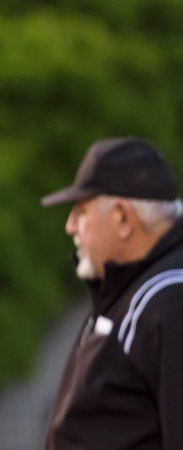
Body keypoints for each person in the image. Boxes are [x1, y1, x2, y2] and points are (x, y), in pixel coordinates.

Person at [41, 136, 183, 449]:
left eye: (80, 211)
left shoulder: (170, 302)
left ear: (122, 217)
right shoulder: (133, 289)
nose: (70, 226)